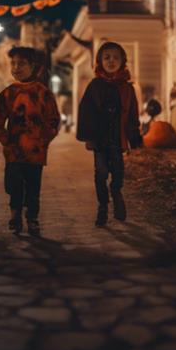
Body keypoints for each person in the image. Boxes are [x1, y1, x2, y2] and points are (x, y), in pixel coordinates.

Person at [0, 47, 60, 236]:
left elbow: (53, 120)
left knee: (33, 186)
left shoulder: (43, 93)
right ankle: (15, 214)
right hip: (14, 150)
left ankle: (32, 218)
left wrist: (43, 139)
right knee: (14, 184)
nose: (16, 67)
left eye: (21, 63)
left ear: (33, 67)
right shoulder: (8, 94)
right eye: (13, 63)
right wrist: (6, 140)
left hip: (35, 151)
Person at [76, 41, 142, 227]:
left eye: (115, 57)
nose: (111, 61)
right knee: (101, 173)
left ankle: (116, 192)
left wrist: (134, 135)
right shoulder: (95, 85)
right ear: (99, 61)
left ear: (122, 61)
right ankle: (103, 206)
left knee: (118, 173)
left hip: (117, 138)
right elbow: (86, 110)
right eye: (107, 57)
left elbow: (132, 114)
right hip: (100, 140)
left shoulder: (127, 88)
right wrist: (89, 134)